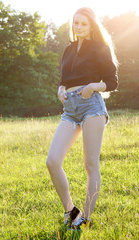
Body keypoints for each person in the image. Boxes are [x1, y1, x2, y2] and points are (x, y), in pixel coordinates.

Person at [46, 7, 118, 230]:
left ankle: (85, 218)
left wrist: (93, 86)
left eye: (83, 24)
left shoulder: (100, 47)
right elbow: (64, 79)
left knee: (90, 164)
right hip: (70, 108)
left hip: (91, 107)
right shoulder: (68, 50)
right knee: (53, 161)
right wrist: (60, 90)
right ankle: (71, 210)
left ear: (91, 26)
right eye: (76, 23)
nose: (78, 27)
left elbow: (112, 82)